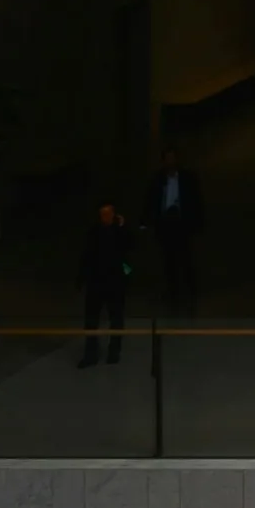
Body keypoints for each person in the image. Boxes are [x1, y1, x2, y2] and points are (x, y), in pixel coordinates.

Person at [79, 199, 138, 369]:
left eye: (109, 213)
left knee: (116, 318)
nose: (106, 216)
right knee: (91, 320)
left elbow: (131, 245)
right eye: (103, 214)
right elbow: (86, 255)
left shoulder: (120, 232)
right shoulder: (93, 232)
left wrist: (123, 227)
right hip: (96, 282)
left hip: (115, 282)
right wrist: (81, 277)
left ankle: (114, 352)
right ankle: (90, 354)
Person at [150, 155, 205, 315]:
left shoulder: (187, 179)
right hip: (166, 224)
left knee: (186, 258)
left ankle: (190, 290)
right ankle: (173, 291)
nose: (170, 162)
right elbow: (152, 200)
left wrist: (197, 222)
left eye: (172, 158)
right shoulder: (159, 179)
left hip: (182, 223)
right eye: (167, 159)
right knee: (169, 260)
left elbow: (195, 200)